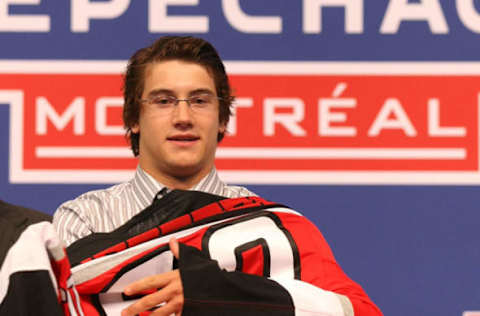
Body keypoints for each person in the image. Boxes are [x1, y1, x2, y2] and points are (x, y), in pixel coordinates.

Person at [53, 36, 382, 316]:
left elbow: (353, 310)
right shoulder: (84, 218)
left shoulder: (273, 227)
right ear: (134, 118)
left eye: (200, 101)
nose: (183, 117)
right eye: (163, 101)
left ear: (222, 119)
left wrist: (224, 294)